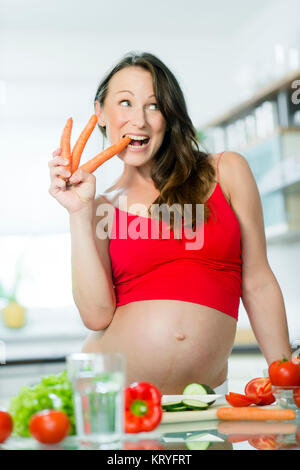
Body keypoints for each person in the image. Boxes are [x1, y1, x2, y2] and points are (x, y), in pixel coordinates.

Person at [48, 51, 292, 395]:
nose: (139, 121)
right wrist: (77, 212)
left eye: (154, 105)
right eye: (125, 103)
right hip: (113, 399)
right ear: (101, 113)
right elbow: (96, 316)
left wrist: (286, 379)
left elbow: (258, 283)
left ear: (170, 115)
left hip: (201, 402)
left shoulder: (226, 171)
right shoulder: (100, 206)